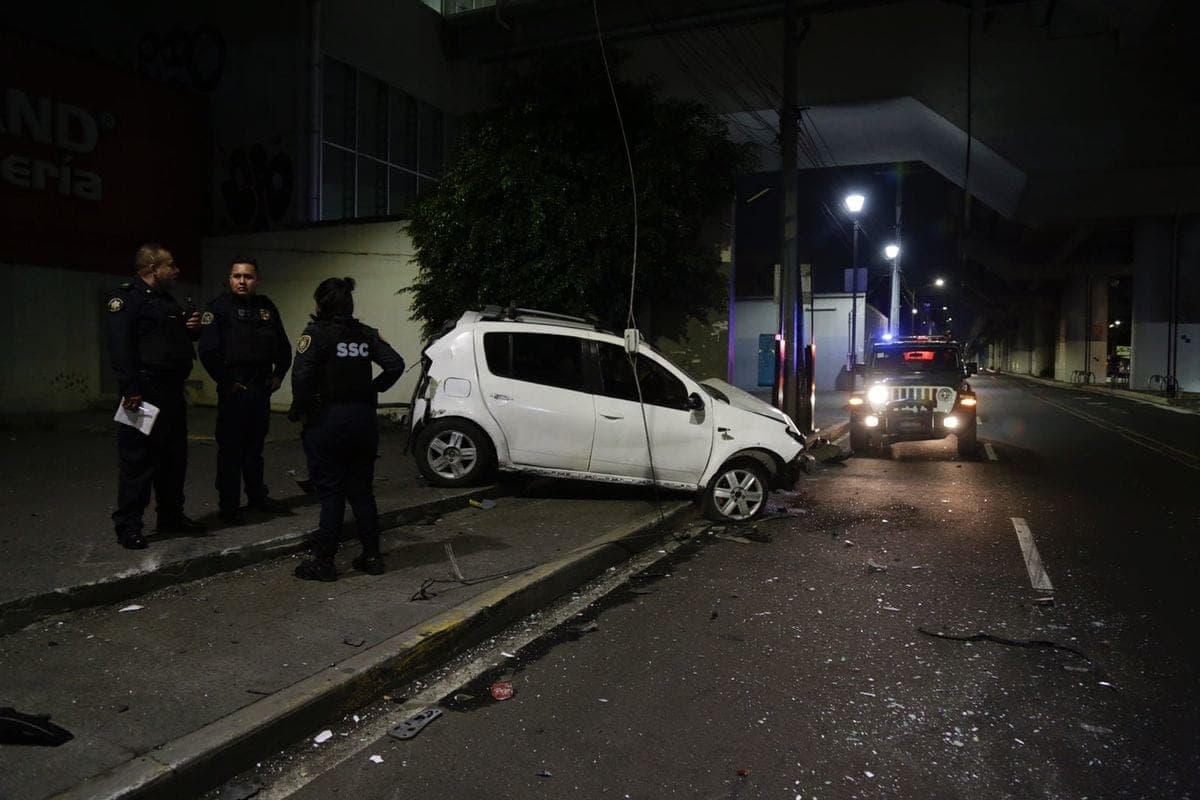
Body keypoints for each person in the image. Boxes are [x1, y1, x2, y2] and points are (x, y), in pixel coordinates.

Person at [289, 277, 405, 581]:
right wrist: (372, 389)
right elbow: (395, 364)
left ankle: (324, 562)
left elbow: (301, 378)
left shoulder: (315, 334)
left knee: (331, 492)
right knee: (362, 491)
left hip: (328, 421)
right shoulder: (366, 334)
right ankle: (372, 556)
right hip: (363, 421)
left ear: (319, 304)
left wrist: (302, 410)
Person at [104, 243, 205, 549]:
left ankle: (171, 516)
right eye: (170, 265)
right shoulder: (126, 299)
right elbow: (120, 347)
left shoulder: (166, 300)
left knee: (173, 458)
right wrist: (130, 389)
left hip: (171, 392)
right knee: (137, 461)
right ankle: (128, 526)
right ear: (152, 268)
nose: (176, 270)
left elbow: (168, 340)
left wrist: (191, 329)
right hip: (142, 393)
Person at [198, 257, 293, 524]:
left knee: (255, 448)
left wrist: (279, 374)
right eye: (237, 276)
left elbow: (283, 346)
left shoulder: (266, 308)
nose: (242, 281)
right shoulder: (218, 308)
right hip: (234, 388)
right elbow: (207, 351)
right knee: (230, 450)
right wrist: (226, 381)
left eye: (248, 277)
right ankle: (229, 506)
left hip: (261, 386)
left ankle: (257, 496)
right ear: (229, 279)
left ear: (257, 280)